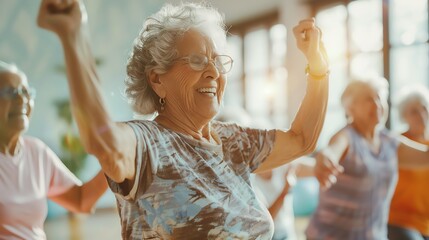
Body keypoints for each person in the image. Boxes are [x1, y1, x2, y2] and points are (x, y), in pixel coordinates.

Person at [37, 0, 330, 239]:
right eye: (198, 60)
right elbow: (103, 140)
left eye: (218, 60)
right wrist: (73, 37)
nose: (214, 72)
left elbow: (302, 140)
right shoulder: (147, 144)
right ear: (157, 79)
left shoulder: (232, 141)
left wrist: (318, 67)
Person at [305, 77, 429, 240]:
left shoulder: (390, 143)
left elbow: (426, 156)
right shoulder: (347, 136)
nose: (377, 104)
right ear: (351, 107)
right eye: (368, 99)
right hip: (330, 235)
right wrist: (326, 157)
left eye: (379, 98)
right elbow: (333, 150)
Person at [0, 61, 108, 240]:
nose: (21, 99)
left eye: (25, 92)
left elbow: (81, 201)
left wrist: (114, 158)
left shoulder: (36, 152)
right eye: (10, 93)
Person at [388, 86, 429, 240]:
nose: (422, 115)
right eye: (414, 111)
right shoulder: (398, 144)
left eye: (424, 108)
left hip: (425, 223)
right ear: (404, 117)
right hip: (399, 220)